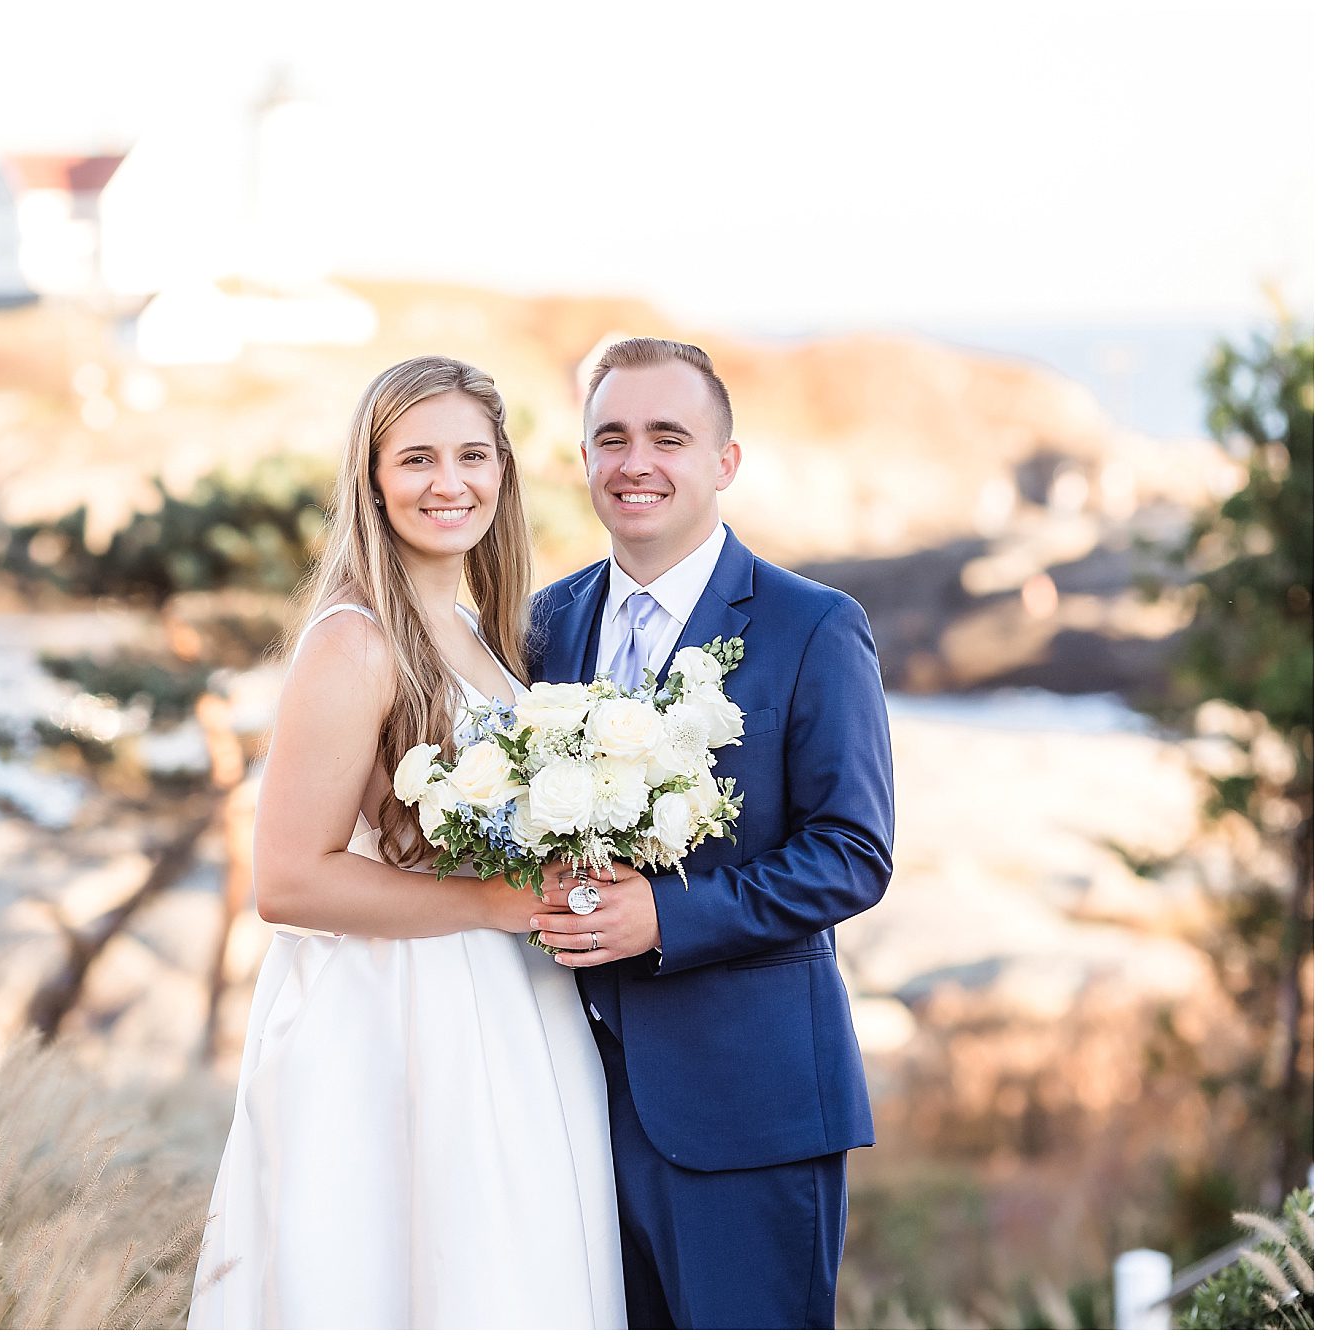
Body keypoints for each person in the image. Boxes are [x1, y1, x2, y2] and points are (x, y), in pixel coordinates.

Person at [189, 356, 626, 1329]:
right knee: (404, 1273)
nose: (448, 481)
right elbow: (287, 879)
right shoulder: (355, 639)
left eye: (472, 455)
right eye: (416, 457)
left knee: (513, 1274)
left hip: (513, 1006)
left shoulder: (477, 629)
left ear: (504, 473)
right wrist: (491, 903)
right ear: (371, 478)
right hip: (399, 1020)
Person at [526, 337, 895, 1328]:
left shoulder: (811, 625)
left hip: (748, 1111)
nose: (633, 462)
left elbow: (852, 852)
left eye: (665, 436)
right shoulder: (544, 622)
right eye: (609, 437)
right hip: (570, 1105)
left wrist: (666, 917)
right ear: (584, 458)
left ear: (722, 461)